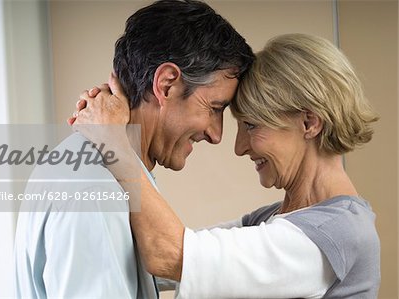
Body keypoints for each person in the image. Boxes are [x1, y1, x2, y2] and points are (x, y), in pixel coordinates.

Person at [72, 33, 381, 298]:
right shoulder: (272, 219)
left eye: (252, 126)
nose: (239, 147)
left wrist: (114, 143)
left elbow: (168, 254)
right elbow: (147, 259)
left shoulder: (336, 234)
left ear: (308, 122)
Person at [14, 0, 254, 298]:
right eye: (215, 108)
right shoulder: (96, 187)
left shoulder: (99, 169)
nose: (216, 134)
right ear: (166, 85)